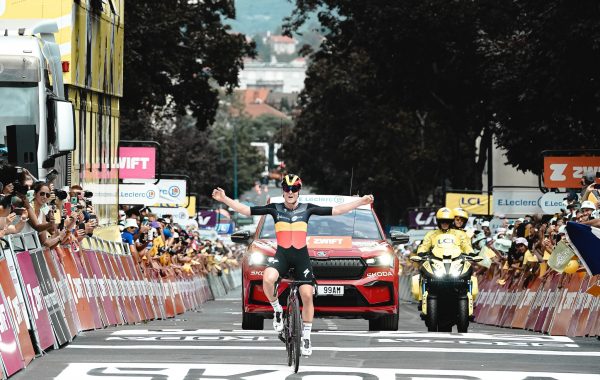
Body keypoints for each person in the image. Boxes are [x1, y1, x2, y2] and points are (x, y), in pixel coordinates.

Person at [212, 173, 374, 356]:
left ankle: (306, 336)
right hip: (282, 255)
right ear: (283, 191)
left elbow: (337, 210)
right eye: (287, 188)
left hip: (301, 257)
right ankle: (277, 310)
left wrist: (360, 201)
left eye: (294, 188)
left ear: (299, 191)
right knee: (267, 278)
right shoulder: (274, 208)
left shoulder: (307, 209)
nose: (290, 192)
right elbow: (246, 210)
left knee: (307, 294)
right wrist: (224, 198)